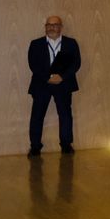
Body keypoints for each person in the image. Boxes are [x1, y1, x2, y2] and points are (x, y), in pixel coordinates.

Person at [28, 16, 82, 156]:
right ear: (45, 26)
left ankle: (66, 144)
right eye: (49, 25)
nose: (52, 27)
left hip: (63, 84)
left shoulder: (70, 43)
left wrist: (61, 77)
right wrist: (48, 78)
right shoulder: (36, 44)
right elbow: (33, 64)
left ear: (61, 27)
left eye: (55, 25)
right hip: (42, 84)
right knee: (37, 116)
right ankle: (35, 146)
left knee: (65, 115)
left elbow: (76, 63)